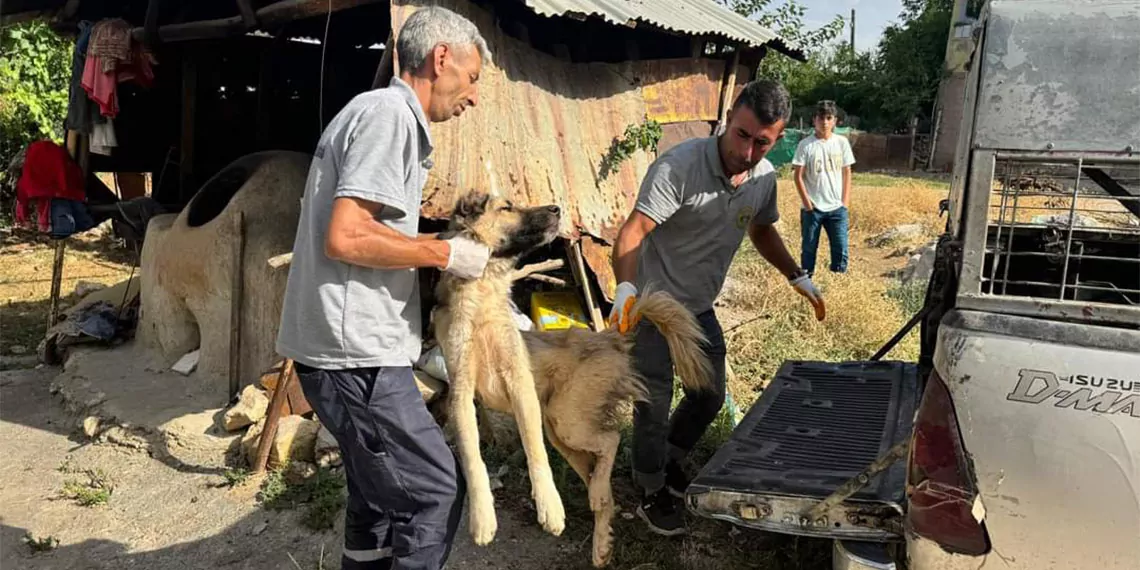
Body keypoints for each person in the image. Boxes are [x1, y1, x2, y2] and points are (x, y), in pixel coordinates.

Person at [275, 7, 493, 569]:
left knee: (374, 499)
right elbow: (346, 236)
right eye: (471, 80)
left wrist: (428, 246)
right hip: (356, 360)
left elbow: (369, 230)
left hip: (344, 353)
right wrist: (445, 253)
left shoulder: (377, 114)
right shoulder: (390, 116)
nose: (472, 97)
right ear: (441, 57)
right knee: (434, 495)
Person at [608, 79, 826, 536]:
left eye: (762, 143)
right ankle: (649, 490)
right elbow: (631, 233)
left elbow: (762, 231)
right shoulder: (678, 167)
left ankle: (667, 459)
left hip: (698, 308)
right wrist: (626, 289)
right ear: (729, 119)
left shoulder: (763, 178)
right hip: (651, 306)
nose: (747, 152)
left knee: (708, 396)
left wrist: (797, 275)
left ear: (778, 138)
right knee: (653, 401)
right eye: (742, 136)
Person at [792, 100, 856, 275]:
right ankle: (807, 282)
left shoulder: (841, 143)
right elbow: (797, 175)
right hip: (813, 208)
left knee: (840, 249)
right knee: (809, 249)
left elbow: (847, 171)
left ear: (835, 120)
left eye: (829, 118)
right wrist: (807, 204)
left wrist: (845, 202)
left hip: (837, 208)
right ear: (814, 120)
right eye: (821, 118)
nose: (825, 122)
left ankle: (838, 281)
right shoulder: (805, 145)